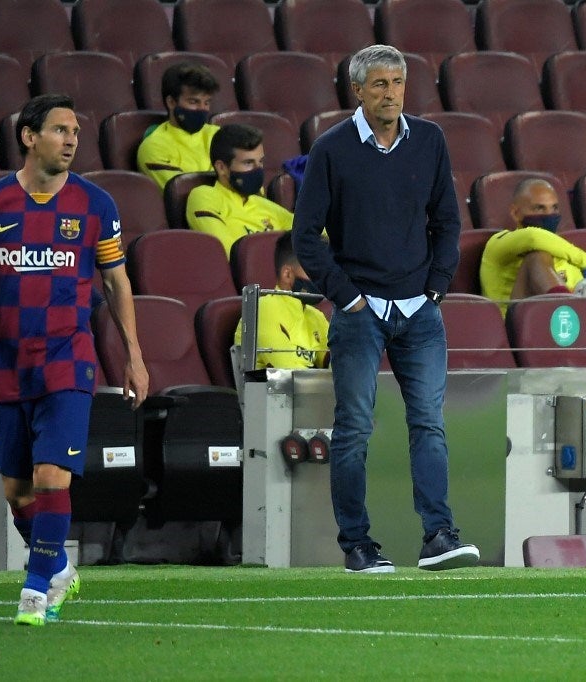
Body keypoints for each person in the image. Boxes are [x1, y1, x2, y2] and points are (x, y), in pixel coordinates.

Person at [0, 94, 149, 626]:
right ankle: (60, 567)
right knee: (16, 488)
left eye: (76, 132)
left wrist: (134, 356)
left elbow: (116, 281)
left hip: (69, 359)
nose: (71, 140)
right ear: (29, 137)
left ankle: (35, 590)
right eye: (60, 130)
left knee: (52, 476)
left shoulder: (95, 205)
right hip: (6, 362)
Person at [292, 44, 480, 574]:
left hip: (420, 308)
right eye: (379, 83)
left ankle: (439, 535)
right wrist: (347, 295)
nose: (391, 92)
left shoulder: (430, 140)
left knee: (429, 423)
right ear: (356, 91)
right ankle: (356, 544)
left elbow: (446, 221)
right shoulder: (331, 149)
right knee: (353, 427)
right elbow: (306, 238)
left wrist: (437, 287)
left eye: (397, 81)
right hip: (359, 311)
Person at [480, 178, 586, 315]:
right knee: (537, 256)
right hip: (519, 325)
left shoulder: (560, 251)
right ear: (515, 213)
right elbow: (533, 237)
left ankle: (572, 311)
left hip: (567, 324)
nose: (549, 214)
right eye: (539, 208)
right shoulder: (498, 243)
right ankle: (570, 311)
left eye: (554, 208)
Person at [187, 123, 294, 259]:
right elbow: (231, 254)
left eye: (260, 161)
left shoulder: (264, 204)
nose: (258, 169)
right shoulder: (205, 196)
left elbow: (315, 234)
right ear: (221, 168)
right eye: (248, 163)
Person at [234, 232, 329, 369]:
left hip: (314, 389)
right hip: (267, 390)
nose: (323, 278)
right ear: (287, 274)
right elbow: (289, 375)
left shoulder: (316, 317)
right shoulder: (263, 310)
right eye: (314, 269)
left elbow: (340, 366)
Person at [137, 61, 221, 190]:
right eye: (194, 102)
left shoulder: (219, 135)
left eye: (207, 102)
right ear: (171, 102)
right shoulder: (154, 147)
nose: (202, 109)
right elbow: (184, 194)